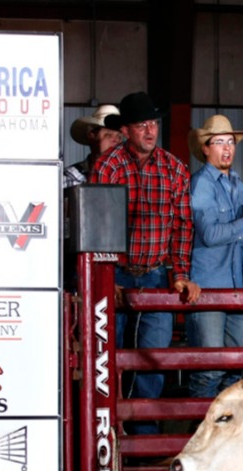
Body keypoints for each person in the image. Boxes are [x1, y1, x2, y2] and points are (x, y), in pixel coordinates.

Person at [91, 91, 200, 433]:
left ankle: (144, 434)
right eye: (142, 125)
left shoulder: (174, 169)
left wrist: (180, 274)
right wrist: (107, 277)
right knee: (113, 356)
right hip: (118, 274)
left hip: (155, 274)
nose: (150, 131)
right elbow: (97, 227)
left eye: (153, 124)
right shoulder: (108, 167)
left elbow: (183, 227)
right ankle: (112, 431)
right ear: (126, 130)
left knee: (153, 357)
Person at [186, 115, 243, 397]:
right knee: (211, 368)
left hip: (235, 289)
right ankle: (195, 429)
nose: (227, 148)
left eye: (231, 142)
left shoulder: (238, 185)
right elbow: (209, 234)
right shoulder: (201, 185)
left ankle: (217, 432)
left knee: (234, 367)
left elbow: (242, 244)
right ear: (206, 149)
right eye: (219, 142)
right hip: (207, 288)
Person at [64, 104, 124, 188]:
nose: (116, 140)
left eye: (119, 136)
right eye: (108, 135)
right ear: (91, 135)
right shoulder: (71, 176)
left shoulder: (128, 175)